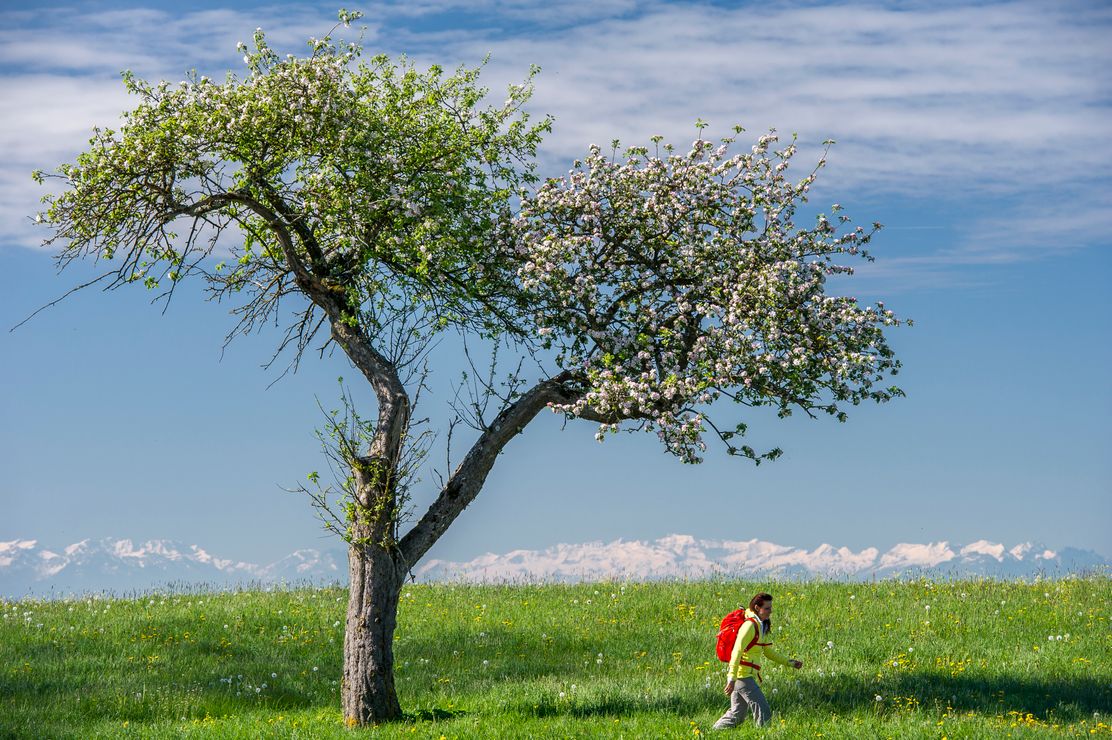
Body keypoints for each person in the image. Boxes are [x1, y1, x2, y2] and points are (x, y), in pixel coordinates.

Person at [713, 592, 803, 730]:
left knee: (737, 715)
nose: (770, 611)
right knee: (763, 710)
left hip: (744, 675)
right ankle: (763, 735)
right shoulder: (749, 626)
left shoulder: (762, 625)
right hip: (743, 676)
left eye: (770, 607)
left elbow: (768, 651)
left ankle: (712, 733)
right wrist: (731, 678)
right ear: (757, 607)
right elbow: (737, 651)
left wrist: (790, 662)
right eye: (767, 608)